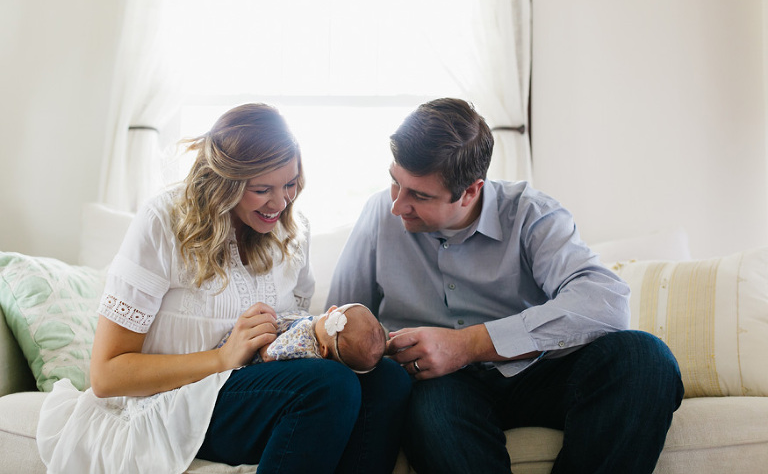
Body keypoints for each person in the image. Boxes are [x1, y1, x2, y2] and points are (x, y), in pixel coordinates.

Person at [36, 103, 411, 474]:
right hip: (175, 402)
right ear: (225, 182)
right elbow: (107, 376)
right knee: (328, 387)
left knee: (386, 379)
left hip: (258, 391)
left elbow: (293, 333)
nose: (280, 203)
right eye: (263, 189)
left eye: (290, 184)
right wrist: (222, 358)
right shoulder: (162, 222)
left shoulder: (291, 231)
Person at [327, 97, 684, 474]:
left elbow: (606, 302)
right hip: (440, 387)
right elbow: (336, 324)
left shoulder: (531, 214)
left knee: (644, 359)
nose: (398, 206)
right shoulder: (378, 215)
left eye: (419, 195)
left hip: (538, 373)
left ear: (471, 191)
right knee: (430, 412)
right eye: (395, 183)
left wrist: (468, 344)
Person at [218, 303, 387, 374]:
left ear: (323, 350)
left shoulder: (303, 341)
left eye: (330, 316)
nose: (330, 309)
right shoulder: (315, 333)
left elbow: (270, 354)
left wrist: (265, 336)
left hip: (242, 352)